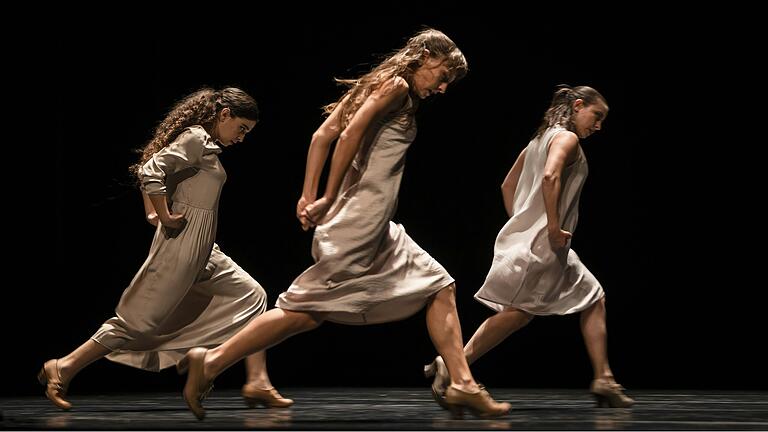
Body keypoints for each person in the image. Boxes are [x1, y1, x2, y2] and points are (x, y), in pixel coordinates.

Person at [178, 28, 512, 420]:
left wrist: (309, 195)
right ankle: (213, 361)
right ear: (424, 56)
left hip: (374, 224)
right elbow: (347, 135)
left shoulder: (376, 85)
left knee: (440, 286)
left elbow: (323, 134)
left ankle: (462, 383)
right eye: (442, 77)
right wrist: (328, 197)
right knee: (302, 311)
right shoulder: (396, 88)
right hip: (359, 222)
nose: (442, 88)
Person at [38, 87, 292, 411]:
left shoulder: (206, 147)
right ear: (224, 114)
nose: (242, 138)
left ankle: (253, 379)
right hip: (181, 248)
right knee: (135, 324)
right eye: (241, 128)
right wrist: (166, 215)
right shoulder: (196, 138)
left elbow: (155, 167)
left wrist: (156, 212)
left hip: (204, 250)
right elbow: (150, 170)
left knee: (253, 296)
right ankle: (63, 367)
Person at [424, 84, 634, 408]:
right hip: (547, 243)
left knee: (593, 296)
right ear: (578, 105)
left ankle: (604, 378)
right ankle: (453, 365)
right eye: (596, 115)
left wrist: (523, 223)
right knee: (519, 313)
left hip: (548, 244)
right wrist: (547, 227)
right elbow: (550, 177)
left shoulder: (540, 139)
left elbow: (507, 184)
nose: (598, 125)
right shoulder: (566, 138)